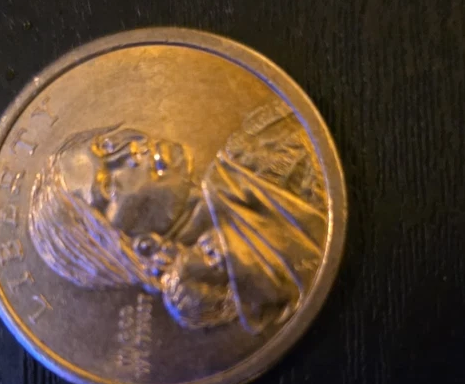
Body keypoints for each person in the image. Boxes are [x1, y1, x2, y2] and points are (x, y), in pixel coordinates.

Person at [27, 103, 328, 334]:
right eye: (110, 185)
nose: (129, 151)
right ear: (139, 245)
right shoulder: (240, 279)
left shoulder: (258, 139)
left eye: (104, 146)